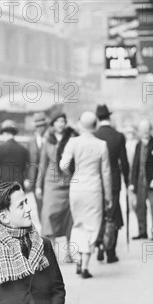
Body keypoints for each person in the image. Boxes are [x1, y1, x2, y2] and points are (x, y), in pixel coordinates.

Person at [59, 111, 113, 278]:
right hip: (94, 189)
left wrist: (71, 172)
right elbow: (106, 173)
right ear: (95, 125)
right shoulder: (101, 145)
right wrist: (108, 197)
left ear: (81, 125)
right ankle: (85, 266)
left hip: (76, 187)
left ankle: (78, 260)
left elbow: (63, 164)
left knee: (78, 224)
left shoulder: (73, 142)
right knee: (92, 225)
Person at [36, 112, 76, 262]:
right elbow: (42, 163)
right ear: (53, 124)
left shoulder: (72, 138)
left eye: (63, 121)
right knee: (48, 216)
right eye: (58, 121)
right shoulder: (48, 140)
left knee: (69, 219)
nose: (61, 124)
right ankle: (50, 254)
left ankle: (68, 254)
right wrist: (38, 186)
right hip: (51, 184)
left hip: (68, 181)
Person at [94, 104, 130, 263]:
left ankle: (99, 243)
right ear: (109, 117)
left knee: (98, 214)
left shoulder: (93, 136)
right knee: (112, 214)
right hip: (114, 182)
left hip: (96, 181)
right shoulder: (118, 136)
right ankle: (111, 251)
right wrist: (128, 181)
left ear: (97, 118)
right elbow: (124, 162)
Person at [130, 118, 153, 240]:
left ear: (151, 130)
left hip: (152, 181)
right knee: (140, 208)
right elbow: (135, 165)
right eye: (142, 129)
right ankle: (142, 232)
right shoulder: (138, 145)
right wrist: (132, 183)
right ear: (139, 131)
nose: (145, 132)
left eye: (147, 129)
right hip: (140, 181)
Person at [0, 120, 30, 187]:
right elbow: (28, 166)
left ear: (6, 134)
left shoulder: (2, 148)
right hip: (19, 186)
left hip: (4, 186)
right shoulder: (23, 149)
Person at [27, 111, 49, 216]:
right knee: (39, 207)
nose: (40, 128)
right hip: (35, 181)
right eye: (37, 126)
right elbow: (30, 162)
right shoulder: (31, 141)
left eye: (42, 125)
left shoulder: (50, 138)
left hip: (49, 179)